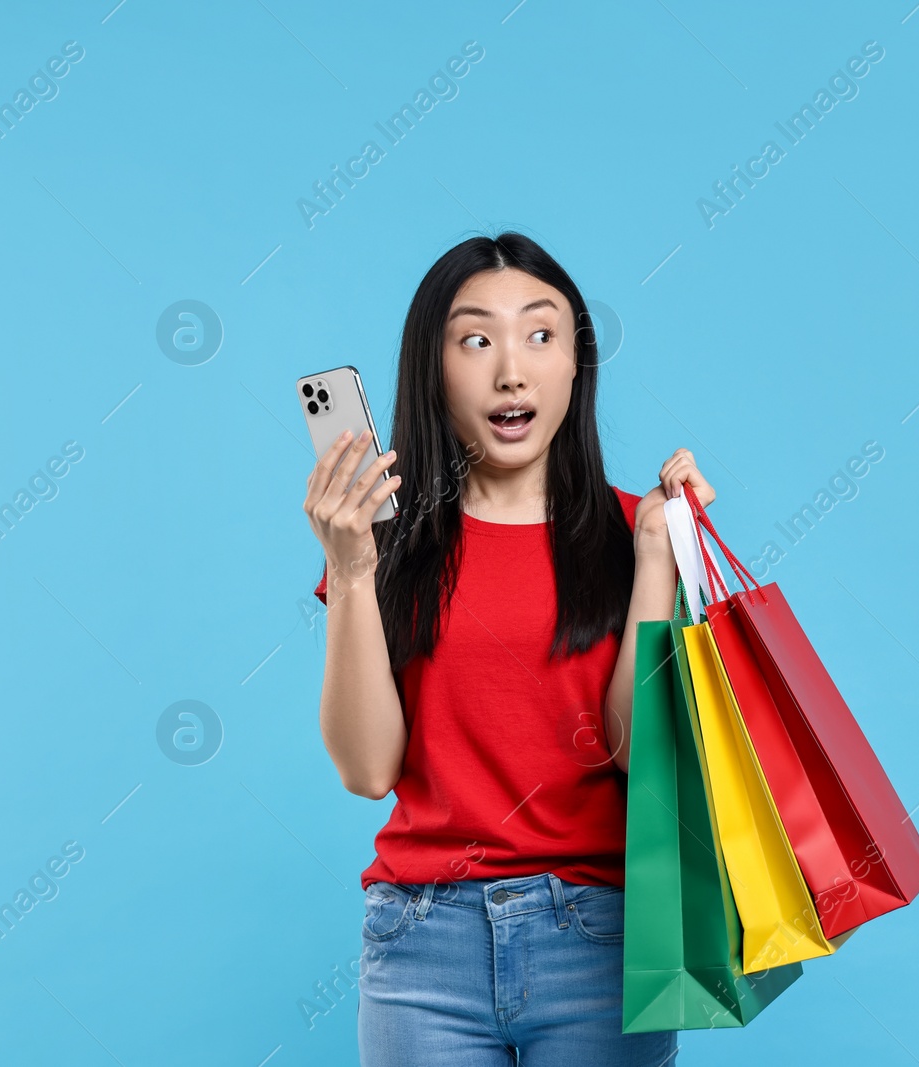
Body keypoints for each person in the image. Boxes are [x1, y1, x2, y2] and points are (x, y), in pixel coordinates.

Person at [302, 232, 706, 1065]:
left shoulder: (638, 531)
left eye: (541, 334)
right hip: (424, 941)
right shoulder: (385, 544)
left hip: (600, 935)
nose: (511, 370)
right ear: (434, 366)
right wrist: (349, 569)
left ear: (574, 364)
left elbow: (637, 752)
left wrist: (660, 560)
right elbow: (366, 769)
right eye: (476, 338)